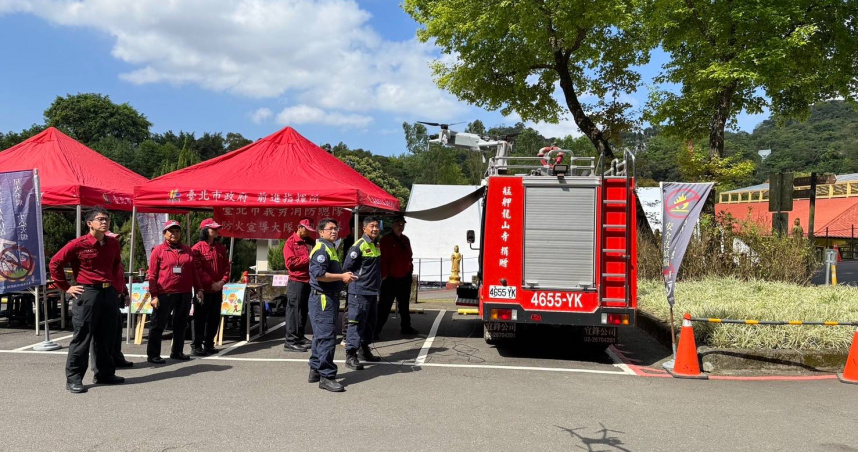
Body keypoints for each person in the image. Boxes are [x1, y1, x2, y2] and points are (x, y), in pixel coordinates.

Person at [49, 207, 125, 394]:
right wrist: (66, 287)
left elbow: (116, 265)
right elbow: (55, 263)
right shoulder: (78, 244)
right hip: (87, 292)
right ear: (89, 223)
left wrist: (119, 288)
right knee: (82, 336)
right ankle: (74, 378)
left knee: (106, 335)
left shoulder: (113, 243)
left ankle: (104, 373)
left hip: (108, 293)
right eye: (100, 219)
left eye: (106, 219)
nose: (104, 222)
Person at [147, 220, 208, 364]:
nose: (174, 234)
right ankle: (153, 354)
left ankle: (177, 351)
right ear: (164, 234)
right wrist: (154, 295)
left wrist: (199, 288)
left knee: (181, 323)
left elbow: (194, 271)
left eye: (177, 231)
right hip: (164, 292)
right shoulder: (158, 250)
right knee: (158, 324)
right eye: (171, 231)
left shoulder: (187, 250)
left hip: (184, 292)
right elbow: (152, 275)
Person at [307, 218, 358, 392]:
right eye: (330, 229)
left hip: (326, 297)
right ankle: (326, 376)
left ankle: (315, 369)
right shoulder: (322, 249)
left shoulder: (330, 248)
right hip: (323, 299)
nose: (334, 231)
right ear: (321, 232)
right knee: (327, 337)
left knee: (320, 336)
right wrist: (341, 277)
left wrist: (343, 275)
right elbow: (319, 275)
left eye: (336, 228)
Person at [90, 230, 134, 375]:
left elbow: (120, 278)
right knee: (100, 333)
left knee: (115, 330)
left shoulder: (115, 257)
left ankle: (116, 357)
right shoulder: (100, 259)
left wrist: (125, 293)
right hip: (105, 296)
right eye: (112, 239)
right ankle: (98, 363)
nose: (115, 242)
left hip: (116, 296)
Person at [342, 217, 383, 369]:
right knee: (356, 322)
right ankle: (350, 354)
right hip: (358, 291)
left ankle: (364, 350)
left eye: (377, 226)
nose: (375, 229)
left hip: (372, 291)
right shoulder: (358, 246)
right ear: (364, 228)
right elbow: (347, 267)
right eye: (372, 226)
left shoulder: (375, 245)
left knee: (370, 323)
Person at [191, 218, 230, 356]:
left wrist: (222, 281)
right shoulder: (197, 248)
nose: (217, 231)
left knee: (214, 318)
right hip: (203, 290)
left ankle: (209, 344)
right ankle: (197, 345)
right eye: (213, 229)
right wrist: (211, 283)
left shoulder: (220, 247)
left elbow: (226, 266)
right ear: (205, 230)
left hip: (217, 289)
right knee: (200, 318)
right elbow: (197, 269)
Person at [377, 215, 418, 336]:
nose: (400, 226)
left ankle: (406, 327)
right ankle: (376, 330)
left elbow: (409, 255)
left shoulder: (405, 239)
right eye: (398, 224)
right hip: (390, 279)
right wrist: (384, 275)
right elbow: (383, 259)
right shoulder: (386, 240)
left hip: (404, 277)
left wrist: (409, 270)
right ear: (392, 225)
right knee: (385, 307)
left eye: (402, 224)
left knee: (404, 306)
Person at [283, 218, 316, 352]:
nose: (308, 233)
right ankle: (290, 341)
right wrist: (307, 259)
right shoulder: (290, 243)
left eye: (310, 230)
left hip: (308, 280)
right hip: (296, 281)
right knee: (293, 311)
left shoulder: (310, 242)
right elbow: (290, 263)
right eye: (306, 230)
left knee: (303, 311)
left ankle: (300, 336)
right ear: (300, 227)